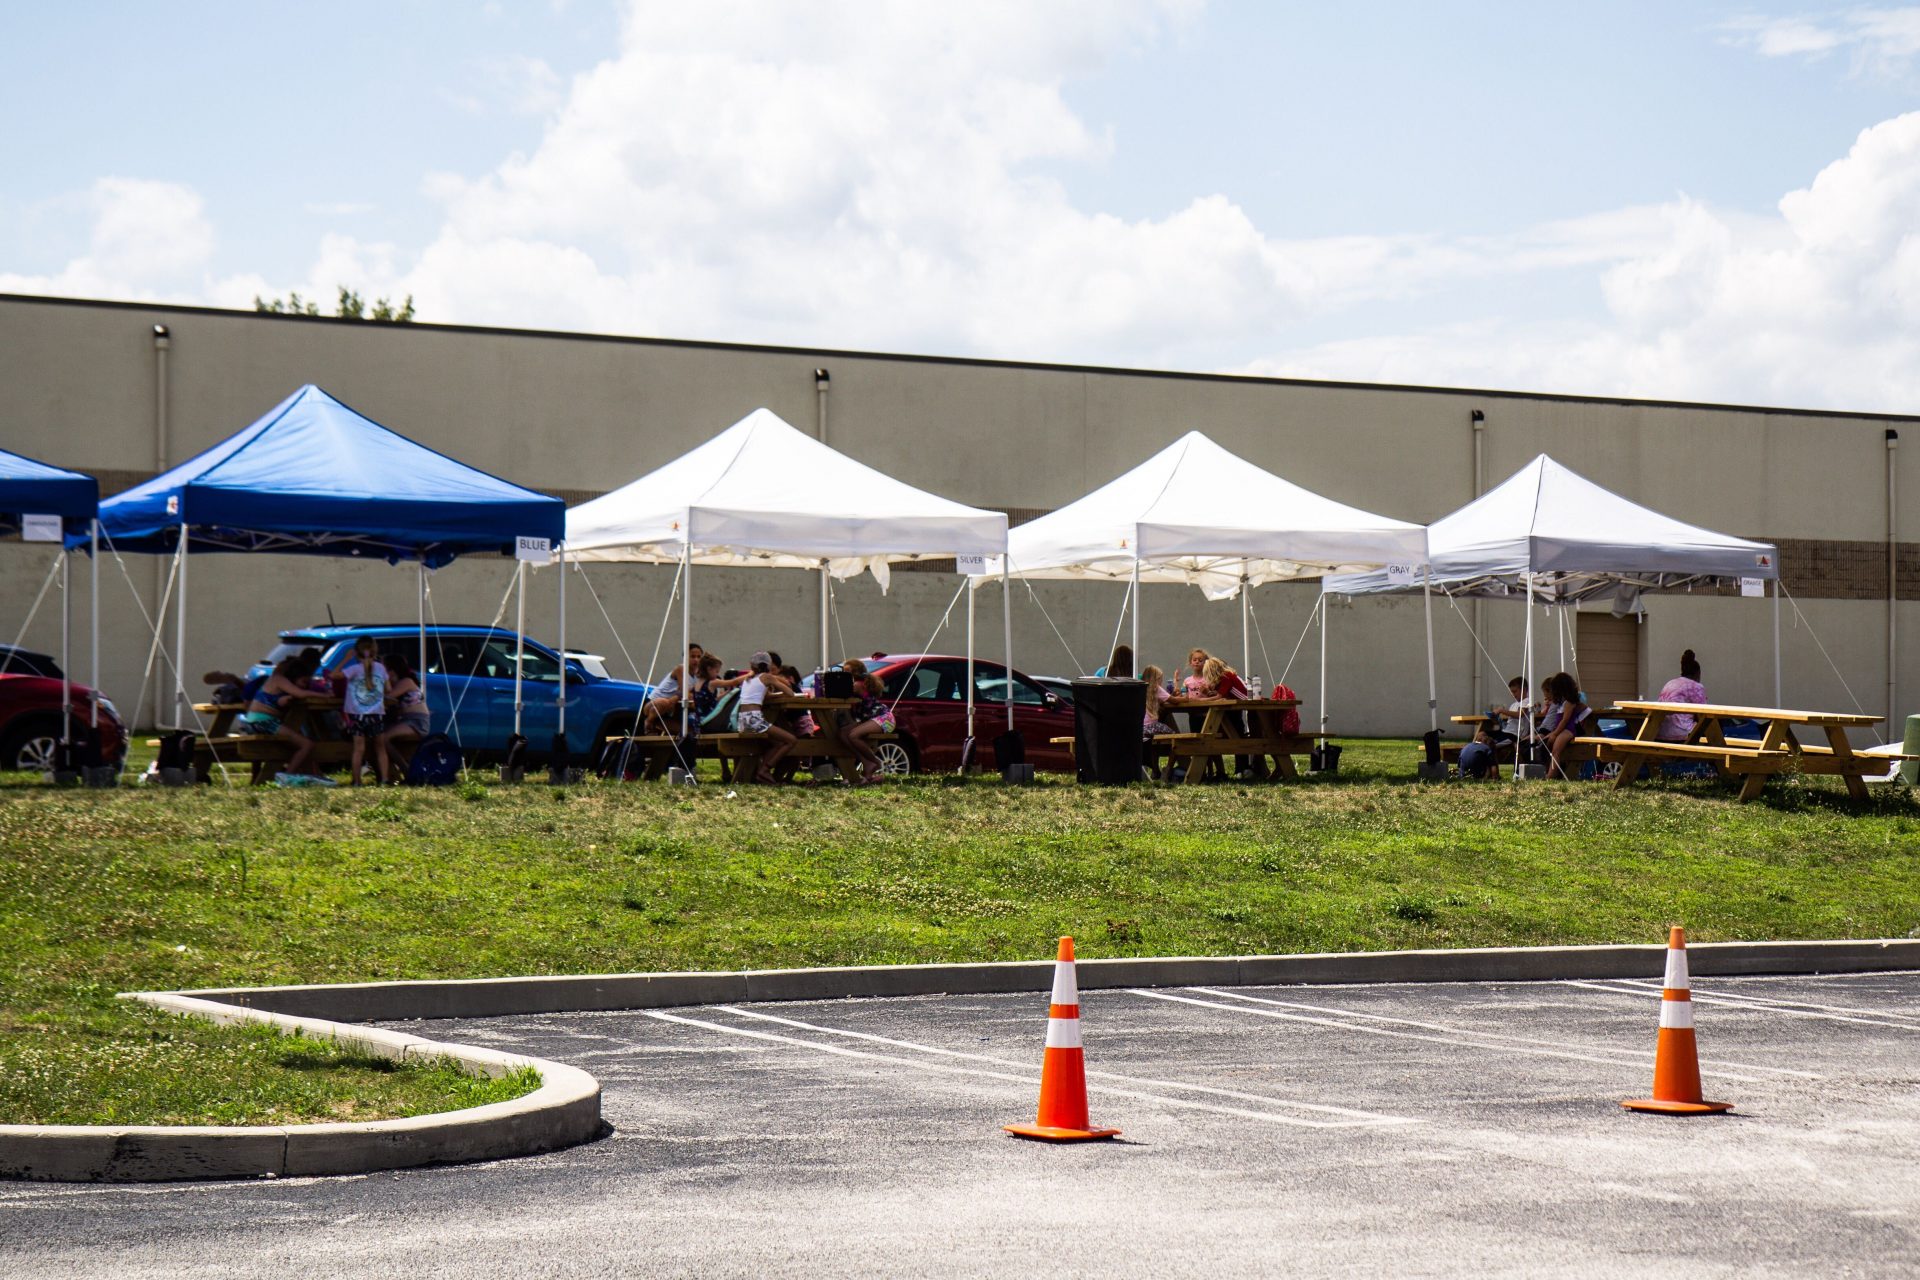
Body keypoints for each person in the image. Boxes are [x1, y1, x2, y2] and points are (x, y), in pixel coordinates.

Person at [236, 650, 321, 776]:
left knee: (296, 740)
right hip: (263, 722)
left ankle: (309, 772)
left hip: (255, 721)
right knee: (306, 744)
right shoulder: (279, 680)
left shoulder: (276, 684)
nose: (305, 685)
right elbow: (300, 693)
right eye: (304, 682)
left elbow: (281, 701)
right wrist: (324, 695)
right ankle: (288, 776)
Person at [339, 636, 389, 786]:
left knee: (358, 749)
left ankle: (357, 781)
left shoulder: (353, 670)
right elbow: (389, 688)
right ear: (375, 650)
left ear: (356, 652)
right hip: (376, 714)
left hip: (357, 716)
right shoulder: (381, 668)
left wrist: (345, 659)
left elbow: (333, 675)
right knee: (380, 748)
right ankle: (385, 779)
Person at [841, 658, 895, 784]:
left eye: (847, 672)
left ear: (856, 673)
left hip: (884, 719)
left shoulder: (858, 684)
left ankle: (875, 761)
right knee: (842, 734)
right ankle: (867, 766)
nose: (844, 674)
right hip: (870, 718)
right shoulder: (855, 684)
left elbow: (846, 693)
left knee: (853, 735)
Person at [378, 653, 429, 783]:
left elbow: (388, 697)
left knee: (383, 739)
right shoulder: (395, 682)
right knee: (378, 736)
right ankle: (390, 773)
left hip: (416, 721)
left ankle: (406, 770)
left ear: (391, 670)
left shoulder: (406, 681)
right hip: (404, 720)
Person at [1537, 671, 1591, 780]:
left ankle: (1551, 775)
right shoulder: (1563, 703)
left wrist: (1555, 733)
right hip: (1562, 730)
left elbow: (1565, 720)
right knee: (1547, 744)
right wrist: (1552, 734)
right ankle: (1549, 770)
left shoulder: (1569, 703)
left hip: (1568, 730)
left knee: (1556, 750)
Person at [643, 641, 704, 733]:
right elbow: (685, 693)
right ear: (685, 658)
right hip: (655, 704)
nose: (696, 660)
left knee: (689, 732)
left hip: (672, 708)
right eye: (692, 656)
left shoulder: (698, 675)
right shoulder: (681, 669)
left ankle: (658, 726)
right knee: (665, 702)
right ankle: (649, 720)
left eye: (699, 657)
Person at [1656, 650, 1707, 742]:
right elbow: (1703, 713)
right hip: (1682, 734)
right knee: (1712, 723)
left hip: (1660, 733)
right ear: (1697, 673)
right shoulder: (1695, 686)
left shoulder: (1670, 683)